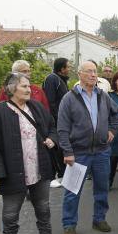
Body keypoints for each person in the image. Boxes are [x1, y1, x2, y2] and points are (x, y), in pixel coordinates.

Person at [0, 72, 58, 234]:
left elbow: (52, 127)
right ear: (11, 88)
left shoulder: (37, 108)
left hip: (39, 167)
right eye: (24, 86)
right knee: (10, 213)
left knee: (43, 206)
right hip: (12, 171)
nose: (28, 89)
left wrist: (51, 139)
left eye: (29, 86)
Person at [57, 60, 118, 234]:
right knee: (72, 191)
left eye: (95, 72)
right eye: (89, 72)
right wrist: (67, 152)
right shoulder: (69, 99)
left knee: (102, 188)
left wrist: (112, 130)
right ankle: (69, 224)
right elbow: (62, 128)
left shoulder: (102, 95)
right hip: (78, 152)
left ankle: (99, 219)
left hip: (101, 151)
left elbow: (117, 114)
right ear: (79, 74)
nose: (94, 75)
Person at [43, 57, 71, 187]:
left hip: (63, 120)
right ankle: (59, 175)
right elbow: (50, 102)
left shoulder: (62, 80)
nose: (69, 69)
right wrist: (56, 120)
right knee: (57, 148)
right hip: (56, 121)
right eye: (68, 67)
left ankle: (64, 174)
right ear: (62, 69)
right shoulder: (52, 79)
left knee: (63, 147)